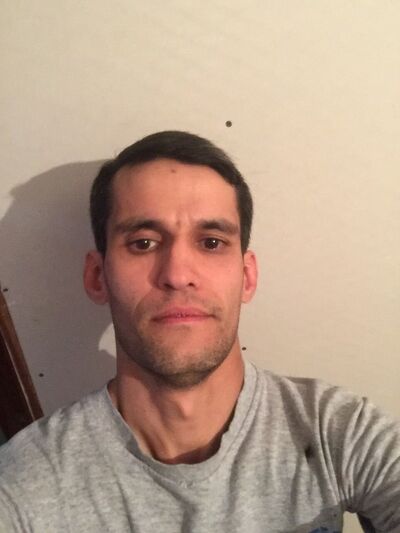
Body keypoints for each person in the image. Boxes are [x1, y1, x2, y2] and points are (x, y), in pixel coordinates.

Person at [0, 131, 399, 533]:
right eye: (143, 243)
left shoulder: (337, 430)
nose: (177, 275)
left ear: (246, 277)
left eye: (211, 242)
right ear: (97, 275)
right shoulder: (26, 481)